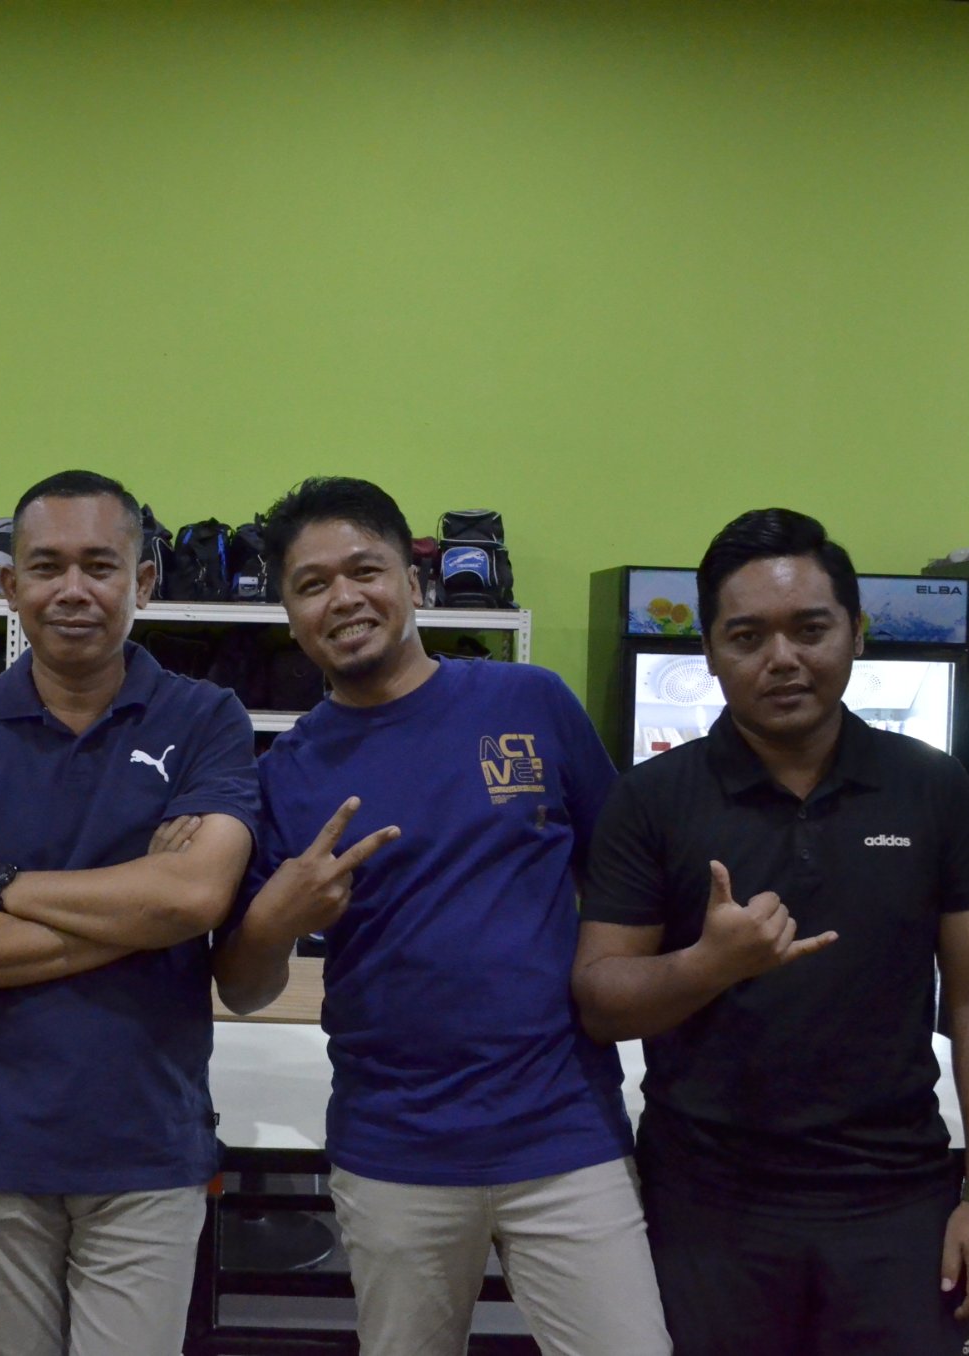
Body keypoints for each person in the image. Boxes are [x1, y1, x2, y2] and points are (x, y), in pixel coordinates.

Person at [212, 477, 672, 1356]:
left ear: (414, 583)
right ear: (291, 616)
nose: (343, 597)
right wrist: (277, 918)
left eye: (365, 570)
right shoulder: (285, 775)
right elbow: (241, 986)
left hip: (565, 1132)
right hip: (395, 1150)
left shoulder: (530, 703)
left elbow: (624, 884)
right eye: (312, 584)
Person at [572, 507, 969, 1356]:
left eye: (810, 629)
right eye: (747, 637)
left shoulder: (933, 789)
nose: (781, 658)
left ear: (857, 633)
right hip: (705, 1208)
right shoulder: (652, 799)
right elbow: (600, 1000)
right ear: (710, 652)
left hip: (897, 1201)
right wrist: (709, 965)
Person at [0, 469, 257, 1356]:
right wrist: (137, 911)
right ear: (11, 586)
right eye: (46, 567)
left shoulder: (207, 718)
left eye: (99, 566)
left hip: (146, 1141)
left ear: (142, 582)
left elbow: (194, 896)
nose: (73, 589)